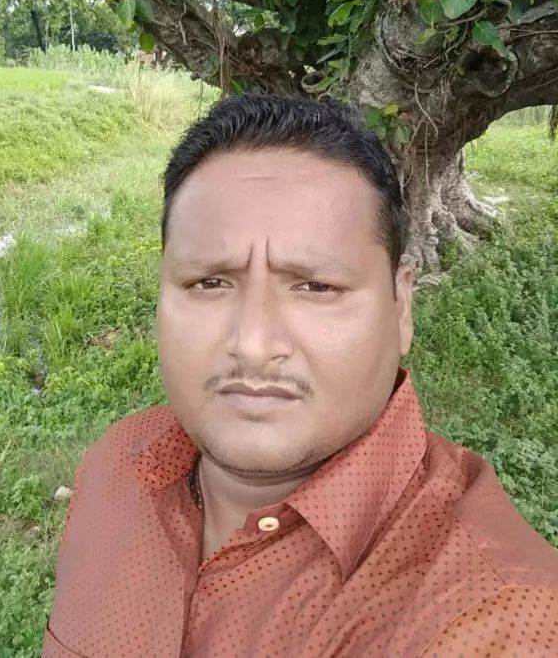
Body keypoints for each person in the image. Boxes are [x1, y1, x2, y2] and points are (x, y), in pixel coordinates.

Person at [42, 94, 558, 658]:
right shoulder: (115, 468)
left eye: (316, 286)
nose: (254, 344)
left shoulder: (502, 619)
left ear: (400, 307)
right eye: (210, 282)